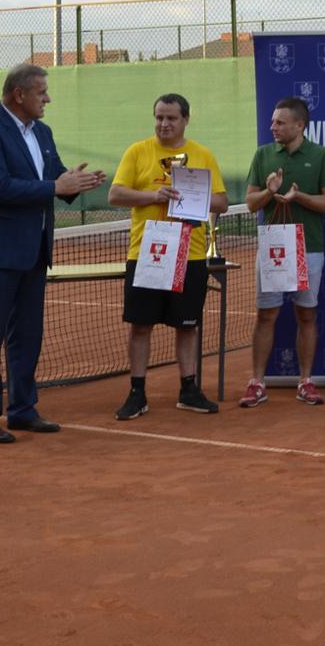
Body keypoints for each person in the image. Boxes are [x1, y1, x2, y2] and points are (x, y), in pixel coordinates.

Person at [0, 63, 106, 444]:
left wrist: (77, 183)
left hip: (33, 250)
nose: (48, 98)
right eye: (41, 92)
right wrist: (55, 186)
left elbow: (54, 178)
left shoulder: (42, 132)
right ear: (18, 94)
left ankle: (22, 410)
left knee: (27, 335)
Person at [105, 93, 229, 420]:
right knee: (140, 326)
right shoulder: (138, 152)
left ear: (186, 119)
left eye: (171, 118)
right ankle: (137, 392)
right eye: (159, 117)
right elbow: (115, 194)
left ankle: (189, 390)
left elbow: (221, 202)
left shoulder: (202, 155)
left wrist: (191, 194)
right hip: (149, 252)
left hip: (191, 254)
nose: (164, 124)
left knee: (187, 326)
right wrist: (153, 195)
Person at [241, 97, 325, 408]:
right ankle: (257, 382)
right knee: (266, 315)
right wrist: (270, 192)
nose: (273, 127)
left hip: (309, 248)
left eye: (280, 122)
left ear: (300, 125)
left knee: (306, 314)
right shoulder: (263, 155)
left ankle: (305, 381)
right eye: (272, 121)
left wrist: (298, 197)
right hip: (272, 248)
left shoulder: (321, 155)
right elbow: (250, 203)